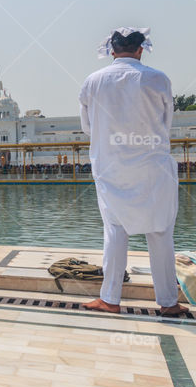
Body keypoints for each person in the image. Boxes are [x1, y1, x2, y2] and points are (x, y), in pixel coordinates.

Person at [79, 28, 187, 316]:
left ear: (112, 51)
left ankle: (110, 299)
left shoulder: (93, 82)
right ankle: (168, 303)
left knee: (115, 232)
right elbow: (166, 123)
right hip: (153, 167)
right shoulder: (158, 79)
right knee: (161, 232)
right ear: (141, 50)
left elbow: (88, 127)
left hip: (112, 167)